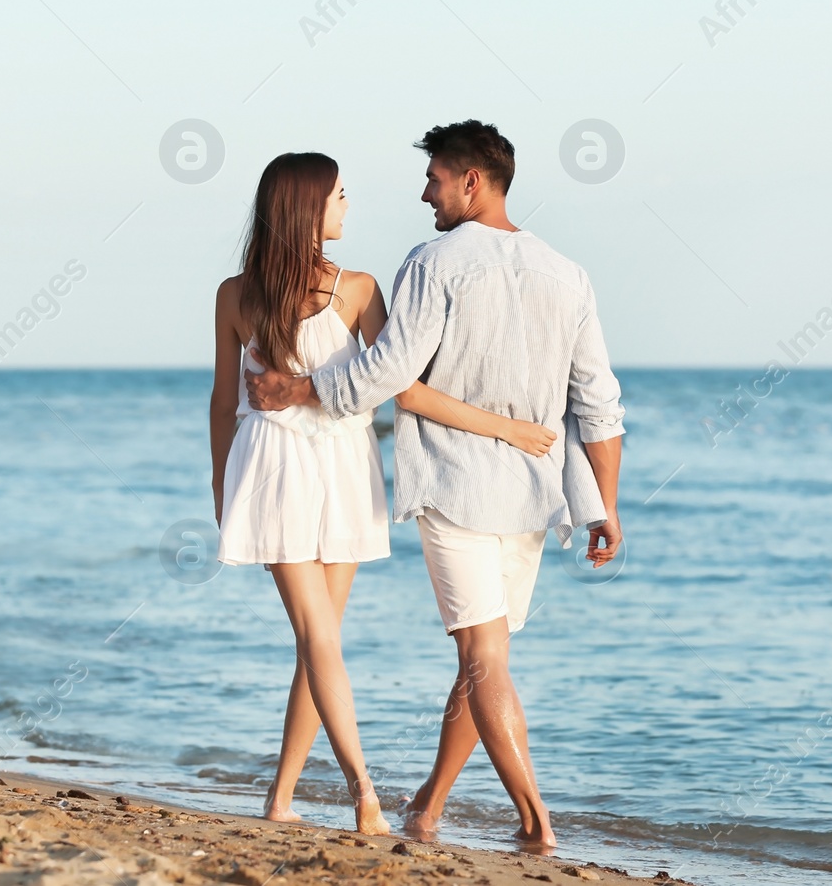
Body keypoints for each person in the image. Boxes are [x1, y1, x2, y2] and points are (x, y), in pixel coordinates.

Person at [245, 122, 626, 850]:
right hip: (533, 492)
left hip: (456, 484)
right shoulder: (567, 272)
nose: (427, 193)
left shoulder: (434, 261)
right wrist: (606, 505)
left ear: (471, 182)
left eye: (436, 180)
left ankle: (536, 822)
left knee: (481, 659)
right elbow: (599, 402)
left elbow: (390, 372)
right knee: (487, 659)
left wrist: (300, 389)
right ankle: (427, 805)